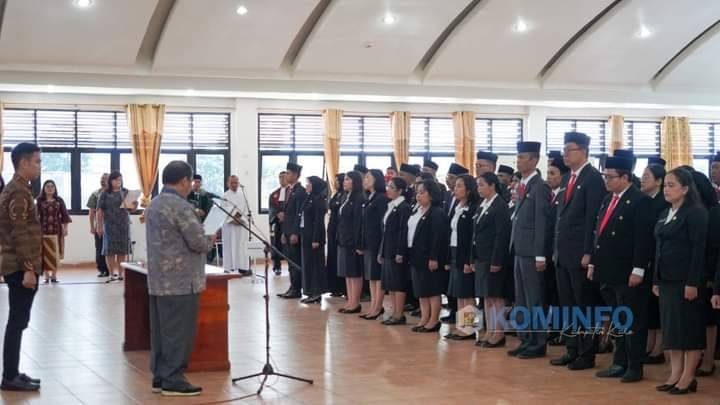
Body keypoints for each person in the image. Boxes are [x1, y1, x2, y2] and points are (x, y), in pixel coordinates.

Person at [145, 161, 217, 397]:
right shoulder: (180, 206)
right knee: (178, 331)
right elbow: (197, 242)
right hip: (181, 281)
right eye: (190, 182)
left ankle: (160, 376)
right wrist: (211, 236)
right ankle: (173, 379)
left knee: (161, 331)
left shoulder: (155, 203)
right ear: (185, 180)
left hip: (159, 279)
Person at [588, 156, 655, 383]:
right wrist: (593, 263)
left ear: (625, 177)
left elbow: (643, 240)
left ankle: (634, 365)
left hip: (628, 272)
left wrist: (638, 269)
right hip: (608, 270)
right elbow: (599, 234)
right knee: (617, 318)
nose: (606, 180)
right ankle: (619, 361)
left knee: (632, 320)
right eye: (605, 176)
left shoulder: (639, 201)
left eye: (610, 177)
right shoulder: (609, 199)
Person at [551, 132, 606, 370]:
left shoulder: (593, 178)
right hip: (563, 253)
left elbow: (593, 219)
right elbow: (561, 218)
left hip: (580, 254)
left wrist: (588, 252)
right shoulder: (567, 178)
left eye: (569, 149)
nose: (564, 154)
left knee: (584, 305)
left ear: (583, 151)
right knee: (568, 305)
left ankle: (587, 353)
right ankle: (572, 349)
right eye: (563, 149)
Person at [653, 168, 707, 395]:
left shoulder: (695, 213)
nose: (666, 189)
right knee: (672, 331)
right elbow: (659, 248)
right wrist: (656, 278)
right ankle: (675, 373)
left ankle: (688, 376)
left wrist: (692, 282)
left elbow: (698, 251)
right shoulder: (667, 212)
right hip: (666, 280)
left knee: (689, 331)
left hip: (686, 281)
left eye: (671, 185)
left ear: (685, 189)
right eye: (665, 184)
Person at [0, 143, 42, 391]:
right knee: (17, 321)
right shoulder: (17, 192)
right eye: (36, 161)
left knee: (19, 320)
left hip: (18, 264)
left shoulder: (21, 189)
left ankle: (13, 372)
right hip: (19, 265)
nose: (39, 166)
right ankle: (9, 377)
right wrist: (28, 268)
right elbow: (19, 233)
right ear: (24, 163)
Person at [508, 141, 549, 359]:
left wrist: (540, 253)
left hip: (532, 252)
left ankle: (538, 342)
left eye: (523, 157)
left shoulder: (539, 186)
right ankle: (525, 339)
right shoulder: (522, 185)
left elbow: (541, 222)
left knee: (535, 299)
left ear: (534, 160)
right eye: (518, 156)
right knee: (521, 299)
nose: (519, 160)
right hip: (520, 249)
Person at [472, 172, 512, 347]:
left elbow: (501, 235)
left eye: (481, 184)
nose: (479, 188)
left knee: (496, 297)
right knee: (487, 297)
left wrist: (497, 260)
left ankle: (499, 332)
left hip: (493, 258)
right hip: (481, 257)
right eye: (478, 185)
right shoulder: (483, 204)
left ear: (492, 185)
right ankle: (490, 330)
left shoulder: (499, 205)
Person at [408, 179, 449, 333]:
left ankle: (433, 320)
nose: (419, 196)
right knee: (421, 290)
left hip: (429, 257)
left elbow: (438, 237)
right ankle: (424, 318)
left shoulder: (437, 212)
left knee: (432, 290)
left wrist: (434, 257)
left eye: (422, 192)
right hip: (416, 255)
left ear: (431, 195)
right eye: (417, 192)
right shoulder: (417, 210)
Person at [444, 174, 478, 340]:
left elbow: (470, 237)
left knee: (467, 293)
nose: (455, 189)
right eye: (455, 186)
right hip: (454, 251)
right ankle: (461, 325)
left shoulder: (472, 209)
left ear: (469, 190)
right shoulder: (457, 206)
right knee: (458, 292)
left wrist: (467, 260)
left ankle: (470, 328)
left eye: (459, 186)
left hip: (465, 253)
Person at [641, 163, 669, 364]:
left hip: (657, 259)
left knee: (657, 305)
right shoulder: (644, 200)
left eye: (647, 176)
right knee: (648, 305)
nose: (642, 179)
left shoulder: (663, 203)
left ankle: (659, 346)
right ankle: (649, 343)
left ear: (659, 181)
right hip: (645, 258)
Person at [379, 177, 412, 325]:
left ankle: (399, 314)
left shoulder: (404, 207)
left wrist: (400, 251)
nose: (388, 189)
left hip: (397, 250)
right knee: (390, 284)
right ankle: (394, 312)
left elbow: (403, 231)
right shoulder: (391, 205)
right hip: (387, 249)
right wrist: (381, 251)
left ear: (400, 190)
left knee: (398, 283)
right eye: (388, 186)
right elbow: (386, 231)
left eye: (392, 187)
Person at [545, 151, 568, 345]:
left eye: (553, 173)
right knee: (553, 294)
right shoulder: (551, 196)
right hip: (551, 254)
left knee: (561, 296)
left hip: (559, 253)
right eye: (548, 173)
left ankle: (561, 330)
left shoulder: (564, 196)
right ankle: (555, 328)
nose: (549, 177)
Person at [359, 170, 388, 320]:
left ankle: (378, 307)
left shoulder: (381, 198)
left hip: (377, 242)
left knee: (377, 276)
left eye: (368, 177)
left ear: (377, 179)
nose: (365, 180)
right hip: (369, 242)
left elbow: (382, 224)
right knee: (371, 276)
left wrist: (382, 246)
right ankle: (373, 306)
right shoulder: (369, 197)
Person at [97, 171, 137, 281]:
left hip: (123, 225)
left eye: (120, 179)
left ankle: (121, 274)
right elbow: (99, 210)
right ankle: (111, 273)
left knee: (122, 251)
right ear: (110, 181)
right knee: (109, 251)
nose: (118, 181)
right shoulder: (104, 193)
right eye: (115, 179)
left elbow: (131, 209)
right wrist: (99, 226)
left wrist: (134, 206)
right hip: (109, 225)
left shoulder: (125, 192)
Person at [337, 171, 364, 313]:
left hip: (352, 240)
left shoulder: (359, 198)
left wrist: (358, 242)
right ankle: (350, 300)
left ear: (354, 181)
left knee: (354, 272)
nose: (344, 182)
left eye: (347, 179)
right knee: (347, 272)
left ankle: (355, 302)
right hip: (343, 239)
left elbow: (358, 222)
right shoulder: (345, 197)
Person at [279, 163, 307, 299]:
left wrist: (295, 232)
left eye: (289, 173)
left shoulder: (300, 191)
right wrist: (284, 232)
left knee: (295, 261)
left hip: (294, 232)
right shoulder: (289, 190)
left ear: (295, 175)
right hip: (287, 230)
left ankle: (296, 289)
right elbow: (287, 214)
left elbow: (298, 214)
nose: (286, 175)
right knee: (289, 261)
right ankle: (292, 286)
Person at [299, 176, 328, 304]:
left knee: (315, 266)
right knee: (308, 265)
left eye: (309, 184)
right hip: (306, 235)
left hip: (314, 237)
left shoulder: (319, 200)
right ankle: (310, 291)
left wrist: (316, 238)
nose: (307, 186)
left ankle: (316, 293)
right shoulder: (309, 198)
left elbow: (318, 222)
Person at [36, 180, 71, 284]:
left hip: (57, 231)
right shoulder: (39, 200)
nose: (50, 188)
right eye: (47, 186)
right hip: (43, 231)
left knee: (55, 254)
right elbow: (35, 216)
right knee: (44, 254)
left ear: (55, 188)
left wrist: (65, 228)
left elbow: (65, 215)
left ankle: (54, 276)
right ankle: (46, 276)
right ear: (44, 188)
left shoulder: (59, 200)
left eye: (52, 186)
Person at [221, 175, 251, 276]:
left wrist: (240, 219)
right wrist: (232, 219)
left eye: (236, 182)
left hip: (241, 225)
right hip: (230, 226)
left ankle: (243, 268)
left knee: (241, 246)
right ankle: (228, 267)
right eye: (232, 183)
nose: (234, 185)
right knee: (229, 246)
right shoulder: (225, 196)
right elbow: (223, 210)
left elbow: (246, 210)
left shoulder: (243, 195)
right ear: (228, 184)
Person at [326, 174, 346, 297]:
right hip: (332, 227)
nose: (336, 183)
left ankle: (341, 287)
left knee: (339, 258)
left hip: (339, 228)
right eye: (335, 181)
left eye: (338, 181)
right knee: (332, 256)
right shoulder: (336, 194)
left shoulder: (345, 195)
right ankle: (333, 286)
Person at [87, 173, 110, 277]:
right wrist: (92, 226)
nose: (103, 180)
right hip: (100, 226)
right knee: (100, 248)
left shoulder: (114, 193)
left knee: (111, 248)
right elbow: (92, 212)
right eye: (102, 178)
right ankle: (102, 269)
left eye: (105, 178)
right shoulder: (95, 194)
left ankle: (111, 269)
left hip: (112, 225)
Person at [268, 171, 288, 275]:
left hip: (289, 223)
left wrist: (286, 215)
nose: (281, 179)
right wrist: (277, 215)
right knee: (276, 244)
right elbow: (271, 208)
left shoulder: (292, 192)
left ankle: (291, 266)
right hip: (278, 223)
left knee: (290, 245)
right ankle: (277, 266)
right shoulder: (274, 194)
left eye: (284, 177)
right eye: (280, 177)